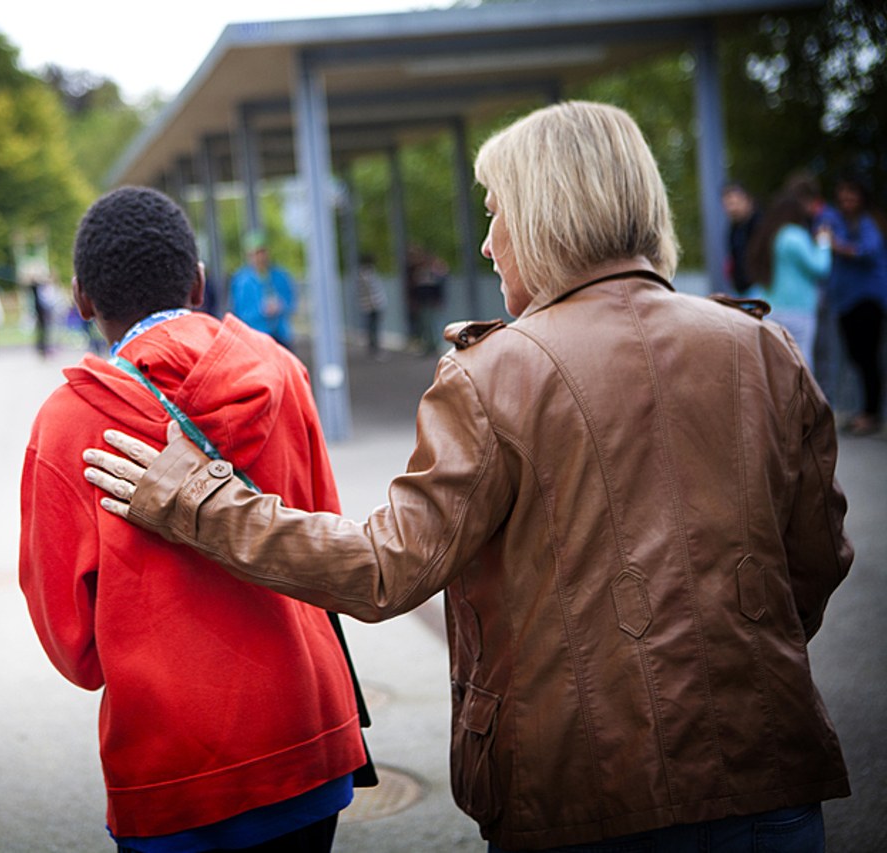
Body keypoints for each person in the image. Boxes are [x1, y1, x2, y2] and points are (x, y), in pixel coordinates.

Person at [83, 103, 853, 852]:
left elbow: (383, 571)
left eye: (496, 212)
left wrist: (200, 500)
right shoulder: (763, 349)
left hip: (584, 790)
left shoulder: (498, 372)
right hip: (771, 778)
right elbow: (815, 561)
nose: (487, 244)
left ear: (548, 214)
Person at [19, 186, 371, 853]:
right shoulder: (283, 372)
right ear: (201, 282)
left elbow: (73, 645)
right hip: (306, 730)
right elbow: (324, 534)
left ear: (81, 299)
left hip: (172, 764)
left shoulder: (67, 425)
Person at [826, 177, 887, 436]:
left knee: (867, 358)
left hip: (867, 299)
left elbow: (867, 251)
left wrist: (836, 246)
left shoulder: (868, 222)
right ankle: (863, 411)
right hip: (846, 300)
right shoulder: (840, 222)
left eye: (851, 195)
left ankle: (871, 414)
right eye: (843, 196)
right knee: (856, 357)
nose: (846, 201)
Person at [745, 191, 831, 366]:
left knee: (777, 366)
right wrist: (824, 242)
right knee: (802, 364)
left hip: (772, 309)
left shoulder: (769, 236)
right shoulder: (794, 236)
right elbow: (820, 268)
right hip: (798, 311)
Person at [228, 230, 296, 348]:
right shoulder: (242, 281)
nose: (259, 257)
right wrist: (261, 310)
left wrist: (280, 306)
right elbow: (239, 311)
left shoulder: (280, 276)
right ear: (248, 255)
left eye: (262, 252)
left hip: (281, 335)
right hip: (256, 337)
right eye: (255, 253)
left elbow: (291, 301)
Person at [721, 182, 760, 295]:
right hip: (740, 288)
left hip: (757, 286)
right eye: (728, 204)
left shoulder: (759, 224)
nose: (731, 208)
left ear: (747, 200)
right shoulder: (733, 228)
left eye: (734, 203)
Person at [355, 253, 388, 359]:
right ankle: (375, 349)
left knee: (371, 327)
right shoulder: (368, 274)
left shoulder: (360, 274)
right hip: (374, 305)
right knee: (374, 328)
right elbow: (372, 291)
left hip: (367, 305)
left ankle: (373, 348)